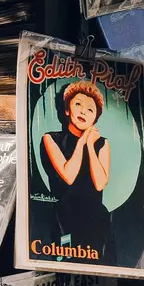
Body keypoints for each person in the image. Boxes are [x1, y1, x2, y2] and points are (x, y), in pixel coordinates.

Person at [41, 81, 114, 266]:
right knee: (65, 267)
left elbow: (99, 183)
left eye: (90, 110)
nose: (83, 111)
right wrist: (82, 143)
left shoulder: (102, 144)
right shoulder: (51, 139)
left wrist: (90, 145)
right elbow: (69, 176)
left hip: (96, 219)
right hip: (65, 218)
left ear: (95, 118)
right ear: (67, 110)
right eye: (78, 104)